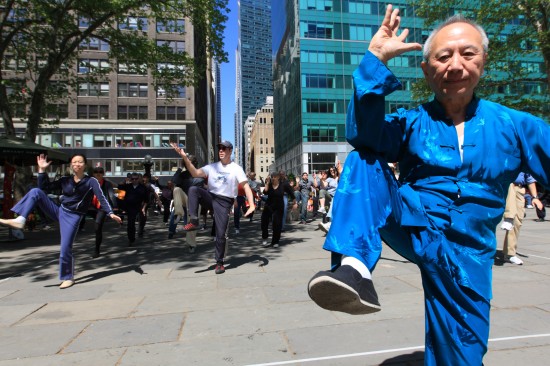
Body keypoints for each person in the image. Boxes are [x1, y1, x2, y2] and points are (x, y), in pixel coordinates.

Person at [306, 5, 550, 365]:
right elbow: (363, 133)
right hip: (414, 224)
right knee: (363, 155)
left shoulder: (516, 124)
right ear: (426, 69)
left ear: (483, 59)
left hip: (469, 253)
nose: (455, 65)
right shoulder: (411, 121)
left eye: (467, 54)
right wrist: (375, 60)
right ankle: (355, 269)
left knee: (463, 352)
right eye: (443, 56)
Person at [0, 154, 122, 289]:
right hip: (60, 210)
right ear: (71, 165)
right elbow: (44, 188)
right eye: (74, 162)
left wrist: (110, 213)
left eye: (80, 162)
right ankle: (21, 219)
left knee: (65, 247)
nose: (77, 164)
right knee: (36, 191)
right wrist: (41, 170)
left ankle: (68, 277)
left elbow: (102, 198)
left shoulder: (91, 181)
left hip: (73, 216)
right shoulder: (65, 180)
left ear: (85, 165)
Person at [170, 140, 255, 274]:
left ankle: (219, 262)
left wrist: (251, 204)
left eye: (224, 148)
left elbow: (246, 186)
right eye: (219, 148)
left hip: (225, 202)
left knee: (220, 234)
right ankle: (194, 221)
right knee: (193, 190)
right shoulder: (212, 167)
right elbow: (195, 173)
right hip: (211, 196)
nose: (220, 150)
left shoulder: (236, 168)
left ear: (230, 151)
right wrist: (184, 157)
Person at [500, 173, 543, 265]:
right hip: (504, 186)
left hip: (519, 189)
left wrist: (535, 198)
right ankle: (509, 217)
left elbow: (530, 180)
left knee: (517, 221)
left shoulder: (525, 162)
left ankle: (509, 254)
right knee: (510, 185)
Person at [260, 172, 296, 248]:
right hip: (269, 205)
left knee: (277, 224)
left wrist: (294, 202)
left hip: (279, 206)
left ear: (278, 177)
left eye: (275, 177)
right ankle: (265, 237)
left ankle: (275, 241)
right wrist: (266, 183)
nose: (273, 178)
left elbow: (291, 192)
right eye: (272, 177)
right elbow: (265, 192)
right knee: (264, 221)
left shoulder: (284, 185)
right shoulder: (269, 185)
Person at [90, 166, 119, 258]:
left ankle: (96, 250)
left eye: (100, 172)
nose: (98, 174)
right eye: (96, 172)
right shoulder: (89, 182)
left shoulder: (107, 184)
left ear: (103, 174)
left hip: (102, 207)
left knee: (97, 226)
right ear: (93, 174)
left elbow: (111, 195)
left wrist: (114, 207)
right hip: (90, 207)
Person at [117, 172, 149, 245]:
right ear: (130, 179)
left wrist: (143, 208)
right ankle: (131, 239)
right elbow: (119, 189)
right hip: (129, 207)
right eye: (133, 179)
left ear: (138, 179)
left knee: (142, 220)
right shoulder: (127, 186)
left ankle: (140, 232)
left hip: (138, 206)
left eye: (136, 179)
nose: (134, 180)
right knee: (130, 223)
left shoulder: (143, 187)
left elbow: (146, 200)